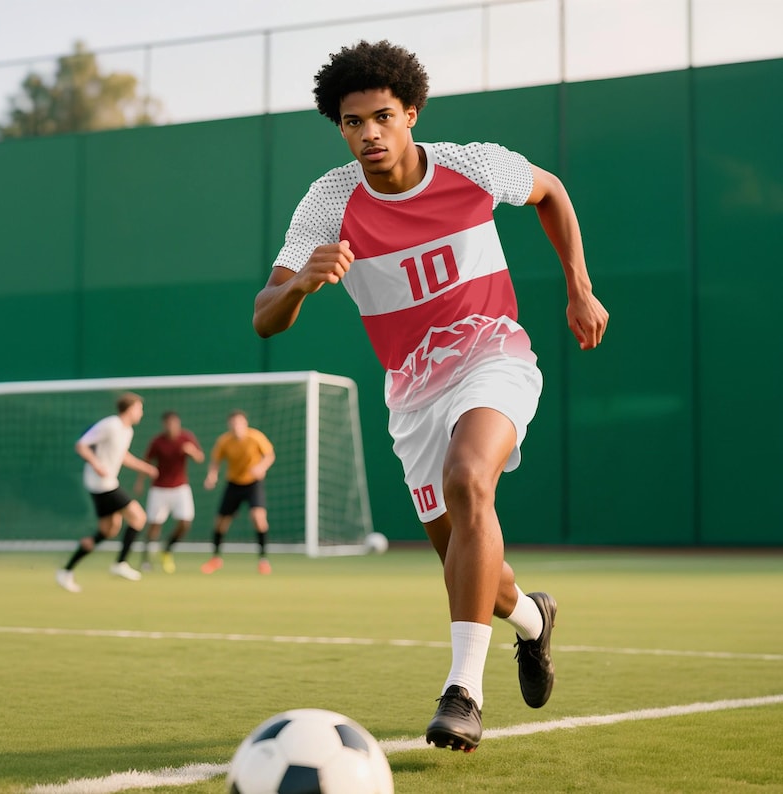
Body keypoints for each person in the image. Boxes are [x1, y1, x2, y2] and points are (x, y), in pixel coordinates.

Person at [253, 41, 609, 752]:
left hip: (493, 355)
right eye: (353, 123)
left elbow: (551, 192)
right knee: (471, 564)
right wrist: (298, 283)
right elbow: (265, 315)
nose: (369, 134)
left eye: (383, 116)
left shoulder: (470, 164)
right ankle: (533, 621)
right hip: (412, 393)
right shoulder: (330, 200)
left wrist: (578, 285)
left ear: (411, 113)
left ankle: (463, 692)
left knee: (469, 477)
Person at [56, 392, 158, 593]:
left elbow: (122, 456)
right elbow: (81, 445)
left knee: (108, 531)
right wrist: (96, 464)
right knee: (138, 517)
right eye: (139, 409)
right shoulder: (110, 425)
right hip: (101, 484)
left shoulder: (126, 431)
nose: (141, 413)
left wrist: (144, 468)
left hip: (106, 483)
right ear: (130, 409)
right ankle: (120, 563)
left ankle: (66, 571)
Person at [201, 410, 276, 575]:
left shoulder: (256, 437)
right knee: (220, 523)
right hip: (233, 484)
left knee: (259, 518)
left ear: (245, 424)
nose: (236, 427)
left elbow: (269, 455)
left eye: (239, 423)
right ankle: (215, 559)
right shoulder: (224, 441)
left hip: (253, 484)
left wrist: (261, 467)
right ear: (229, 425)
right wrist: (211, 476)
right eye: (233, 423)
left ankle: (263, 560)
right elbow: (215, 461)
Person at [135, 411, 204, 573]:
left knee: (185, 523)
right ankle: (145, 560)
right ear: (164, 425)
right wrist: (140, 482)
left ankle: (167, 549)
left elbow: (200, 458)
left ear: (178, 423)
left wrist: (191, 451)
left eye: (174, 423)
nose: (171, 426)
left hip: (180, 488)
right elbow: (147, 461)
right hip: (159, 488)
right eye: (168, 423)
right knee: (154, 525)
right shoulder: (157, 441)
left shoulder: (187, 438)